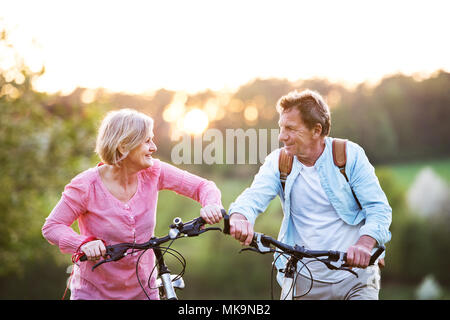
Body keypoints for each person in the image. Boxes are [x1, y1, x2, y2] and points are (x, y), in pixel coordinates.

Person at [42, 108, 223, 300]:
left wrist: (211, 204)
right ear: (123, 146)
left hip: (145, 291)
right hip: (93, 294)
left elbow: (203, 186)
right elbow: (52, 227)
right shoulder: (86, 185)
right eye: (147, 141)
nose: (153, 147)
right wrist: (84, 244)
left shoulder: (154, 172)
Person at [228, 89, 392, 300]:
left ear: (316, 130)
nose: (282, 136)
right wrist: (240, 215)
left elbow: (378, 207)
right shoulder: (278, 162)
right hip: (302, 280)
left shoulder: (348, 155)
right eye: (281, 128)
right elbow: (254, 196)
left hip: (356, 279)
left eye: (290, 129)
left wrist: (365, 243)